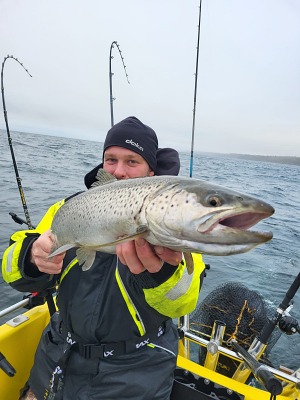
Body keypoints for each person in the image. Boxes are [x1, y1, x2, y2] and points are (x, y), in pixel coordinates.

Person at [2, 116, 206, 400]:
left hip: (134, 375)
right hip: (57, 359)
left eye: (132, 161)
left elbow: (183, 302)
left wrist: (158, 275)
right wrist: (30, 256)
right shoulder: (68, 208)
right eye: (111, 159)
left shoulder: (171, 226)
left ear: (151, 172)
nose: (119, 170)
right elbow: (10, 272)